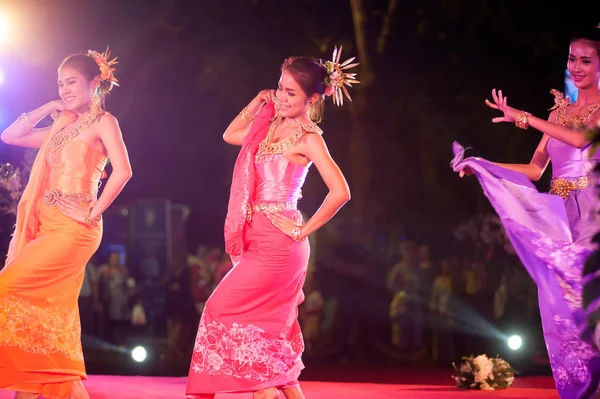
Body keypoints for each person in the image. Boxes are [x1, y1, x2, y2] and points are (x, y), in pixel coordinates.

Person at [186, 47, 356, 399]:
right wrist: (257, 101)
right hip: (254, 238)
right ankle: (270, 390)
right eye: (279, 87)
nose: (280, 97)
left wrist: (301, 230)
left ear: (311, 98)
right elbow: (231, 135)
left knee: (219, 308)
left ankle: (260, 390)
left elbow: (340, 191)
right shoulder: (270, 123)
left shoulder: (309, 138)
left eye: (290, 93)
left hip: (281, 244)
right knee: (267, 330)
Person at [451, 26, 600, 399]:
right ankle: (584, 386)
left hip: (593, 214)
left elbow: (582, 141)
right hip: (559, 214)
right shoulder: (560, 110)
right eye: (571, 58)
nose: (576, 67)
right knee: (558, 305)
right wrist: (483, 165)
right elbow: (535, 170)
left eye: (586, 59)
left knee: (589, 303)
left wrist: (526, 118)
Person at [0, 48, 132, 399]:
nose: (65, 89)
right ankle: (41, 387)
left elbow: (123, 171)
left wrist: (95, 210)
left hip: (76, 227)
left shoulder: (105, 122)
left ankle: (37, 380)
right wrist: (46, 109)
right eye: (60, 83)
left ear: (95, 82)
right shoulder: (61, 125)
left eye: (71, 82)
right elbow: (9, 137)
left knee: (8, 286)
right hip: (49, 224)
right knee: (47, 308)